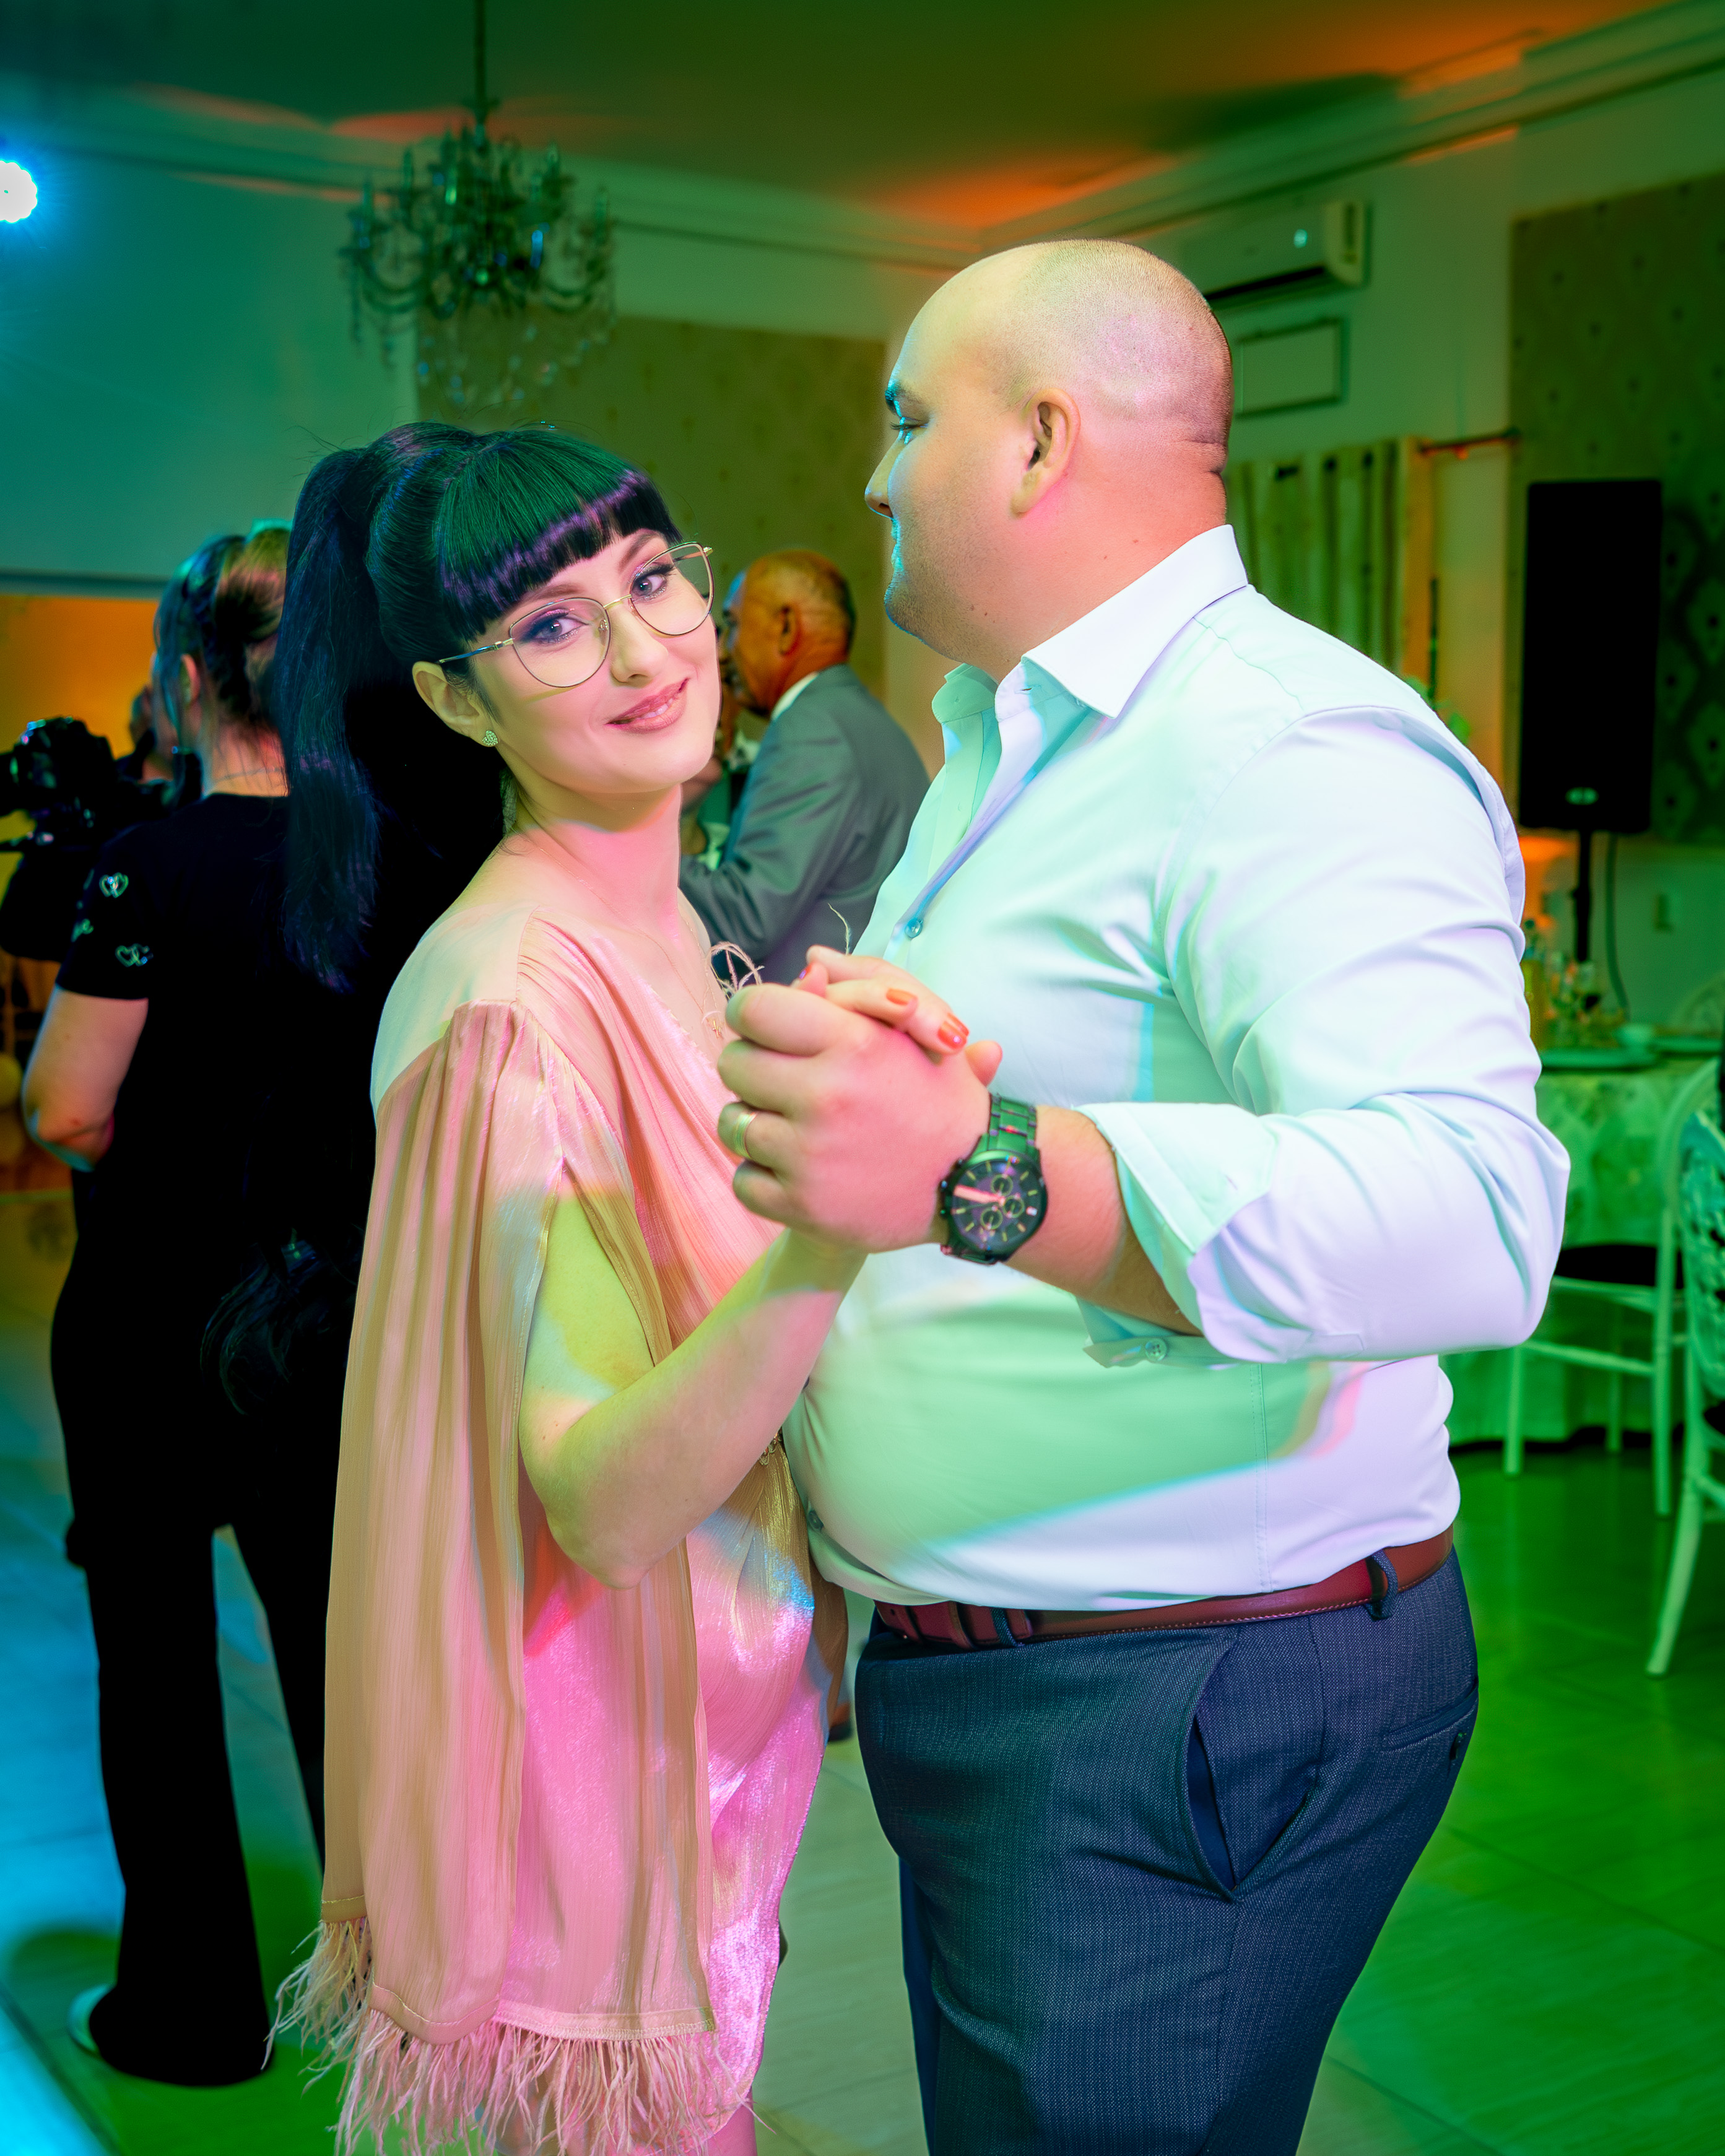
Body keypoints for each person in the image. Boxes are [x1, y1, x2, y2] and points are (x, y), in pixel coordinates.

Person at [714, 241, 1569, 2154]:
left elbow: (1470, 1209)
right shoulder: (1004, 738)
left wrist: (974, 1163)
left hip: (1169, 1700)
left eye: (907, 419)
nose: (873, 476)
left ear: (1038, 441)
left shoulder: (1275, 739)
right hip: (1045, 1678)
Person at [271, 423, 951, 2156]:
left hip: (716, 1725)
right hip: (597, 1780)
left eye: (653, 580)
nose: (648, 649)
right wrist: (830, 1225)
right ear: (457, 698)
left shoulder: (670, 932)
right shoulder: (510, 1005)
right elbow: (600, 1494)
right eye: (555, 625)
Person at [21, 522, 345, 2088]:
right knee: (342, 1655)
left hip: (154, 1315)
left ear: (191, 681)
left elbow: (66, 1108)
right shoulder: (392, 864)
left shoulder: (146, 866)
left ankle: (194, 2009)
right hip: (325, 1311)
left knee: (155, 1661)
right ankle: (400, 1990)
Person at [679, 550, 927, 982]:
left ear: (787, 628)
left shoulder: (811, 729)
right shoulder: (865, 722)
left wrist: (624, 845)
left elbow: (743, 919)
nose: (722, 654)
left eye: (732, 626)